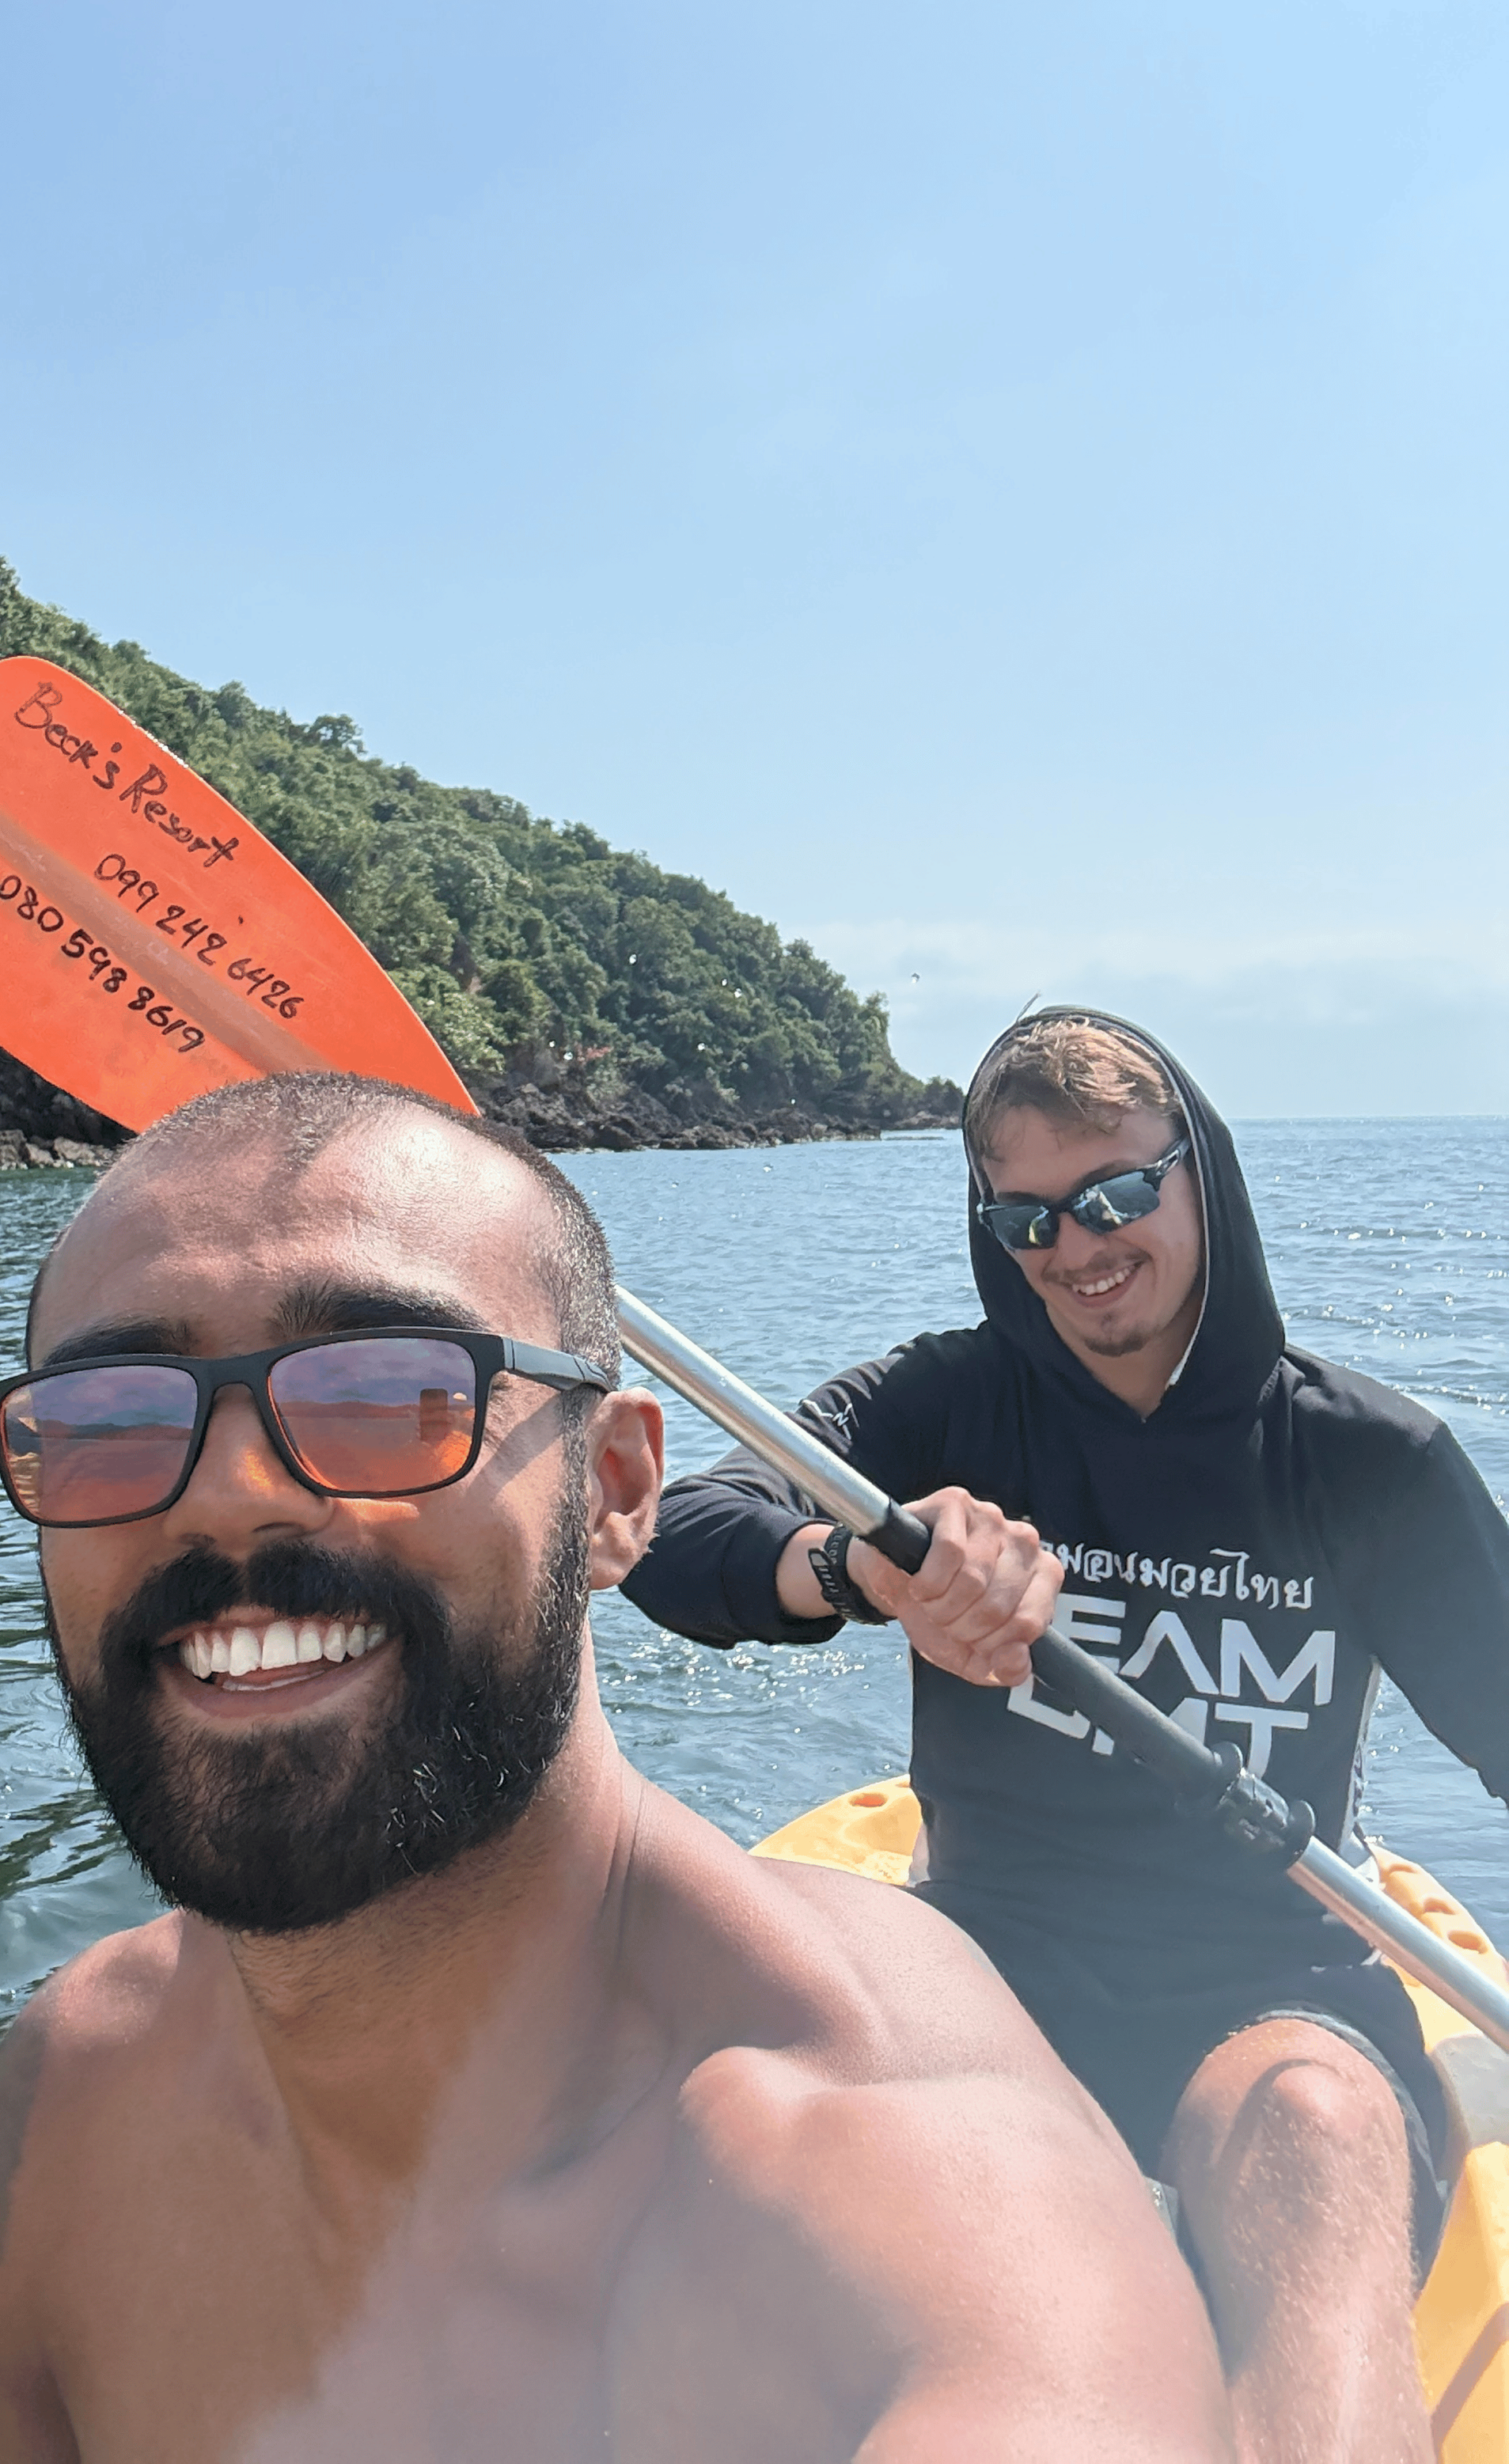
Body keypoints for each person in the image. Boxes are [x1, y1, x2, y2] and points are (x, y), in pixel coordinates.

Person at [0, 1070, 1229, 2462]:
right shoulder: (82, 2084)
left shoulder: (917, 2213)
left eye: (389, 1393)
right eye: (110, 1421)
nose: (226, 1494)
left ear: (619, 1490)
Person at [625, 1008, 1509, 2464]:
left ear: (1198, 1174)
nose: (1077, 1248)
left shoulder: (1365, 1460)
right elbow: (680, 1533)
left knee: (1310, 2126)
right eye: (1026, 1217)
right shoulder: (945, 1409)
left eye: (1113, 1195)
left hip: (1272, 1966)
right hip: (984, 1969)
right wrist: (864, 1571)